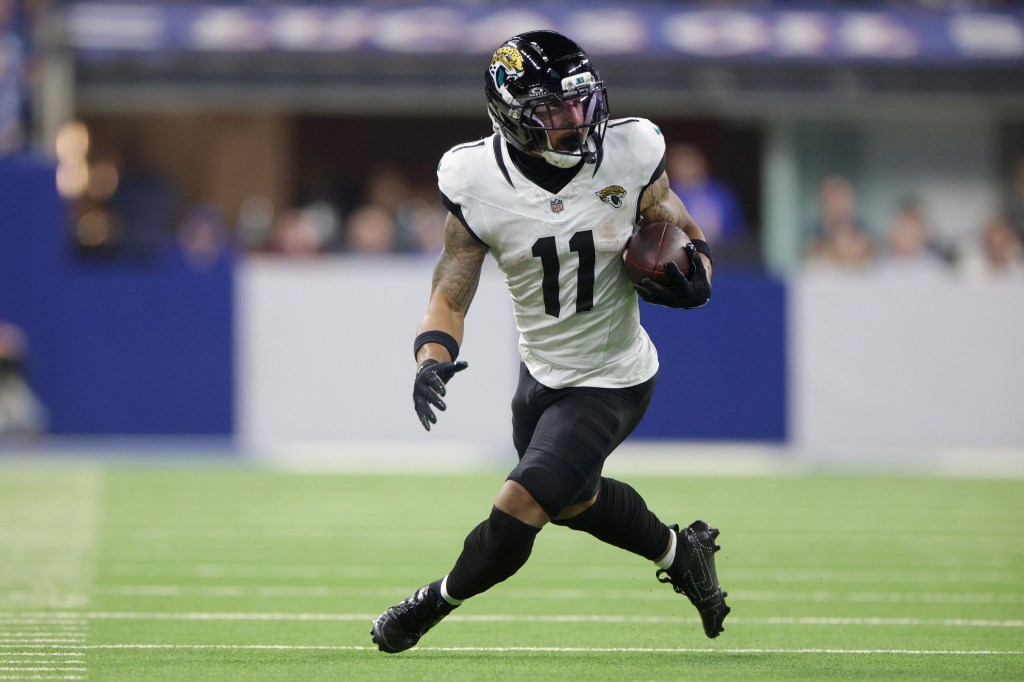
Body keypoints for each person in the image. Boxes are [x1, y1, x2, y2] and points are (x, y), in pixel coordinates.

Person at [370, 30, 729, 654]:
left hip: (614, 376)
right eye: (559, 114)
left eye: (585, 105)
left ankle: (428, 605)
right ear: (514, 118)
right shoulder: (475, 178)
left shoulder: (631, 151)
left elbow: (688, 237)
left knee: (520, 510)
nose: (581, 124)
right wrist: (433, 355)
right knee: (575, 501)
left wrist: (695, 274)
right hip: (540, 377)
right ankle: (681, 552)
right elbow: (451, 292)